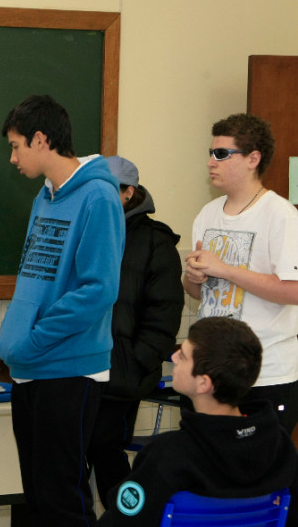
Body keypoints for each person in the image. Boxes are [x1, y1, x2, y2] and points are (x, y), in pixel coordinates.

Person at [0, 94, 125, 525]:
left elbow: (98, 290)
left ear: (40, 139)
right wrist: (19, 344)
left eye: (16, 146)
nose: (13, 158)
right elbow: (37, 278)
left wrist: (33, 339)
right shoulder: (44, 196)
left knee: (62, 500)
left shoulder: (98, 198)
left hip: (69, 368)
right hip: (31, 367)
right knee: (36, 496)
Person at [98, 317, 298, 526]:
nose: (174, 357)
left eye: (183, 356)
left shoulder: (168, 454)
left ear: (203, 383)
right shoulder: (279, 445)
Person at [185, 113, 298, 435]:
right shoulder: (207, 214)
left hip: (266, 374)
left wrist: (225, 270)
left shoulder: (280, 215)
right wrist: (193, 278)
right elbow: (196, 294)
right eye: (210, 153)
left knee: (260, 472)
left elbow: (293, 291)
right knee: (217, 472)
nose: (211, 161)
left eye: (221, 153)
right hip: (215, 372)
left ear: (253, 159)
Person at [87, 156, 184, 504]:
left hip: (120, 375)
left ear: (129, 193)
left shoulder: (155, 242)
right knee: (70, 459)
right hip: (77, 367)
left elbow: (165, 313)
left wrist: (135, 361)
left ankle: (128, 518)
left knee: (105, 451)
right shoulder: (85, 229)